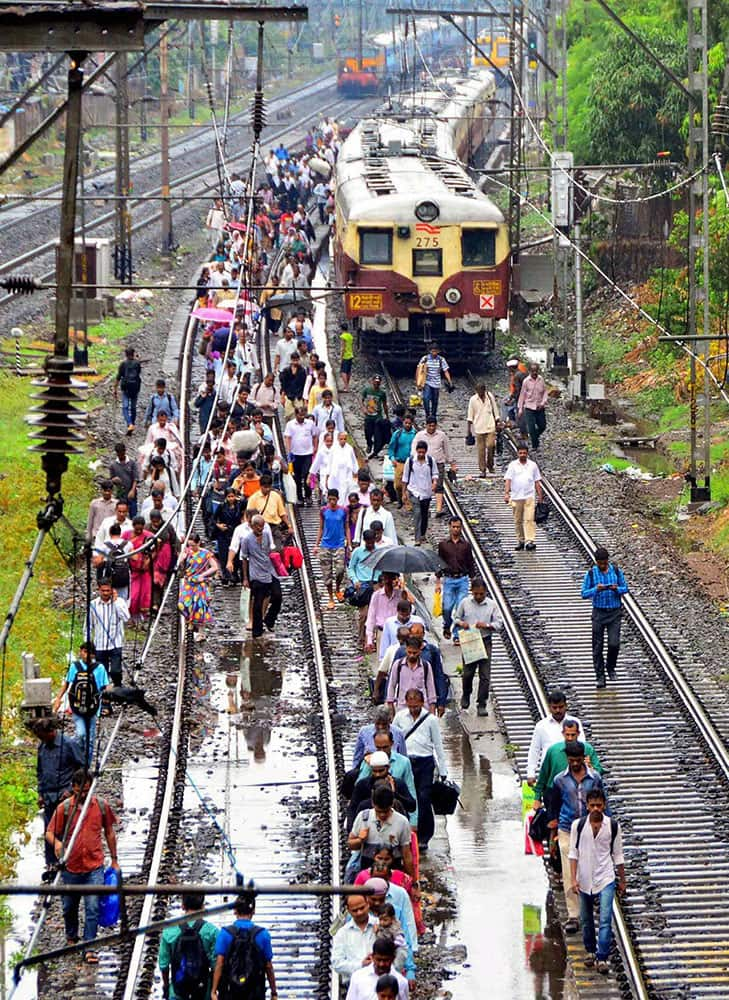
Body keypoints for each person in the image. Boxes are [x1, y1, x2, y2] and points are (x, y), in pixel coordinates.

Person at [45, 768, 119, 962]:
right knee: (69, 906)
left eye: (87, 791)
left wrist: (114, 858)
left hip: (94, 866)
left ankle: (89, 946)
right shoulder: (64, 808)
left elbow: (110, 832)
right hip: (70, 867)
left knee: (93, 907)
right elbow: (50, 833)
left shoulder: (101, 806)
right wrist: (58, 843)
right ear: (74, 789)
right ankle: (72, 937)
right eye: (80, 792)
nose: (84, 795)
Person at [550, 741, 606, 933]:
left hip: (590, 829)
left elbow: (602, 801)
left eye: (577, 760)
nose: (574, 764)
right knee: (569, 871)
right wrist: (553, 829)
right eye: (571, 760)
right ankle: (573, 915)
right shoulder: (559, 780)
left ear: (583, 758)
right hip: (567, 829)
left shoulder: (594, 778)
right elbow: (554, 804)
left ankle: (590, 903)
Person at [569, 788, 625, 974]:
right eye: (592, 805)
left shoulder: (613, 826)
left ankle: (602, 957)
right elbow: (573, 854)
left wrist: (622, 880)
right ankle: (590, 951)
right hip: (584, 878)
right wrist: (573, 879)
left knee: (605, 919)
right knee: (586, 919)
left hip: (606, 876)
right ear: (586, 806)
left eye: (598, 805)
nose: (595, 809)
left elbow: (618, 855)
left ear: (604, 806)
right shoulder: (578, 826)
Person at [393, 688, 446, 851]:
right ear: (406, 703)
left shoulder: (430, 720)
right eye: (411, 705)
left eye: (417, 706)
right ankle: (406, 833)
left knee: (424, 798)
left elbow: (438, 745)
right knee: (407, 797)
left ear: (422, 703)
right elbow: (394, 739)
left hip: (425, 762)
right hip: (406, 762)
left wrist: (443, 770)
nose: (414, 709)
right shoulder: (400, 717)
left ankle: (424, 836)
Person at [34, 717, 83, 868]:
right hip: (48, 797)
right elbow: (40, 771)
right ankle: (51, 864)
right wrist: (40, 793)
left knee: (67, 830)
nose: (41, 739)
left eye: (43, 736)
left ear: (51, 731)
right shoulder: (42, 747)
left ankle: (70, 861)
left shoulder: (68, 744)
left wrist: (71, 790)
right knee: (49, 831)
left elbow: (82, 768)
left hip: (64, 796)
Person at [211, 892, 277, 1000]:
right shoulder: (262, 934)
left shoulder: (225, 933)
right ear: (253, 911)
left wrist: (214, 991)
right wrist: (274, 992)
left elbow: (219, 964)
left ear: (235, 911)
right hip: (255, 992)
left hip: (230, 992)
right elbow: (268, 966)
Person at [452, 576, 503, 716]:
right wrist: (461, 624)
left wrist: (487, 625)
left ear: (486, 592)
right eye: (476, 594)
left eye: (481, 594)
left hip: (485, 640)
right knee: (468, 673)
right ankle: (466, 694)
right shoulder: (465, 603)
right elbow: (456, 618)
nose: (479, 596)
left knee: (485, 675)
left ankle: (482, 703)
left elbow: (499, 624)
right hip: (470, 640)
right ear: (471, 591)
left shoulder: (492, 605)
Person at [52, 642, 111, 763]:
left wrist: (108, 697)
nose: (84, 654)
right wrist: (58, 699)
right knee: (80, 734)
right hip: (77, 707)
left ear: (93, 654)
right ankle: (76, 757)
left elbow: (106, 685)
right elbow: (67, 684)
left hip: (93, 709)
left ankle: (86, 765)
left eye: (87, 652)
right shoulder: (75, 667)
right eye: (83, 651)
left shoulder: (100, 668)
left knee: (90, 739)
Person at [581, 546, 629, 689]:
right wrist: (596, 589)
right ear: (596, 562)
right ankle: (600, 677)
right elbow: (583, 593)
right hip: (599, 613)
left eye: (604, 563)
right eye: (600, 563)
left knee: (614, 643)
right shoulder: (590, 574)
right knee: (597, 647)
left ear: (608, 561)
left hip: (614, 612)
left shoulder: (616, 571)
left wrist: (616, 589)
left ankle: (610, 667)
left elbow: (625, 588)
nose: (602, 565)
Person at [534, 717, 604, 813]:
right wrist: (537, 797)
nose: (570, 738)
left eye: (573, 735)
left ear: (578, 734)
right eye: (567, 735)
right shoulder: (553, 751)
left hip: (582, 792)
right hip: (555, 793)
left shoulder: (588, 749)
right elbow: (544, 775)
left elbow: (599, 772)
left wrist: (591, 767)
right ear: (563, 734)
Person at [158, 892, 219, 1000]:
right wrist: (214, 990)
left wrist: (167, 986)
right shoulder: (212, 931)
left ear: (182, 906)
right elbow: (216, 965)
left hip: (178, 991)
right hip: (203, 990)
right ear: (203, 906)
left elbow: (164, 965)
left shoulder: (169, 931)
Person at [348, 784, 414, 878]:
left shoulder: (402, 822)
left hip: (393, 875)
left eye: (386, 811)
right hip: (367, 875)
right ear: (373, 804)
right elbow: (350, 844)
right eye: (378, 811)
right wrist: (360, 840)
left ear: (392, 804)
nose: (382, 815)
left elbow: (406, 854)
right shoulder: (363, 818)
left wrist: (412, 881)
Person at [346, 749, 417, 831]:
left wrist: (394, 794)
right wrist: (352, 830)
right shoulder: (362, 785)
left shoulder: (398, 783)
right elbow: (352, 808)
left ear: (388, 767)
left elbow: (412, 806)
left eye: (381, 771)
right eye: (374, 771)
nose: (378, 774)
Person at [526, 689, 586, 786]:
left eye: (561, 707)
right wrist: (531, 773)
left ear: (566, 706)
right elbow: (535, 750)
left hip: (572, 771)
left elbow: (583, 745)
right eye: (555, 707)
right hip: (549, 774)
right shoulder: (541, 726)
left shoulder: (575, 722)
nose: (558, 710)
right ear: (549, 707)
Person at [240, 515, 283, 638]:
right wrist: (245, 578)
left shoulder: (266, 535)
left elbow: (270, 551)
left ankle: (269, 619)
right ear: (252, 526)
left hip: (269, 570)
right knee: (258, 603)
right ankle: (257, 631)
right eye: (258, 526)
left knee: (277, 596)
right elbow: (244, 558)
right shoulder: (247, 540)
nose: (261, 529)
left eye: (262, 526)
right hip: (256, 573)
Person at [436, 516, 476, 642]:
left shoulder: (466, 545)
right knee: (447, 608)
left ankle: (457, 634)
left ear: (461, 528)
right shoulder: (443, 545)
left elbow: (470, 563)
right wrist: (438, 582)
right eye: (453, 527)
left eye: (458, 527)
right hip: (448, 580)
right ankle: (447, 625)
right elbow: (439, 563)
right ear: (449, 527)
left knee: (460, 607)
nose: (455, 529)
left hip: (462, 580)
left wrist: (473, 580)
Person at [410, 417, 456, 519]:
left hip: (438, 463)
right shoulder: (420, 435)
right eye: (429, 425)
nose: (431, 428)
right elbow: (413, 449)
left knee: (439, 485)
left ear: (436, 425)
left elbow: (447, 450)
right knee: (423, 486)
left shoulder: (442, 435)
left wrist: (452, 463)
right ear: (426, 425)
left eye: (433, 425)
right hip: (424, 464)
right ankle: (423, 508)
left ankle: (438, 509)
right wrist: (414, 461)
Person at [89, 578, 130, 688]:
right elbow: (88, 625)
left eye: (108, 590)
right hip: (100, 645)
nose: (106, 593)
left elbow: (126, 618)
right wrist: (87, 642)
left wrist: (116, 602)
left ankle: (117, 688)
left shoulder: (120, 602)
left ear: (112, 590)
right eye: (103, 591)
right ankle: (104, 693)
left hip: (115, 643)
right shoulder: (93, 604)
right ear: (99, 590)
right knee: (102, 672)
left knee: (116, 671)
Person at [177, 534, 219, 640]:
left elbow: (214, 567)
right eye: (189, 545)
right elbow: (180, 569)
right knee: (183, 604)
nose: (191, 548)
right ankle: (190, 620)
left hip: (200, 583)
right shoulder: (186, 553)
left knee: (200, 607)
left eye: (193, 545)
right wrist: (181, 560)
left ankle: (201, 633)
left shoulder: (205, 554)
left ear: (198, 543)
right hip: (188, 582)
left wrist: (203, 575)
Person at [503, 442, 544, 551]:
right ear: (517, 453)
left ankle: (529, 540)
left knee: (529, 519)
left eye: (524, 453)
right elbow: (508, 480)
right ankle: (520, 540)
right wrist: (507, 493)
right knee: (518, 520)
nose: (522, 455)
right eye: (520, 453)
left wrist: (540, 496)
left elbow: (537, 481)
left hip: (529, 496)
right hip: (516, 496)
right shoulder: (512, 465)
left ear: (527, 453)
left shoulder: (533, 465)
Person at [314, 489, 349, 609]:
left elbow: (346, 527)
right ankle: (330, 597)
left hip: (339, 544)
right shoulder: (324, 511)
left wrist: (348, 544)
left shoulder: (343, 511)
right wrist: (316, 544)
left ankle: (337, 589)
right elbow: (321, 527)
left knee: (340, 570)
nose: (332, 502)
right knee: (326, 573)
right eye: (330, 499)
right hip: (325, 545)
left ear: (338, 499)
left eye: (334, 499)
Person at [331, 894, 378, 982]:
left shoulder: (380, 925)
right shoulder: (342, 933)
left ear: (368, 904)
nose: (359, 912)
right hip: (354, 986)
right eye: (355, 910)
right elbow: (336, 963)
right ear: (348, 910)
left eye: (362, 908)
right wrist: (361, 965)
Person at [386, 638, 437, 713]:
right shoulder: (398, 665)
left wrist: (432, 708)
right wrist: (390, 705)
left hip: (422, 708)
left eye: (414, 653)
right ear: (406, 649)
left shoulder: (426, 666)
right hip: (402, 708)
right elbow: (392, 685)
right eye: (409, 652)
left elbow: (430, 687)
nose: (412, 655)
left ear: (420, 651)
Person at [402, 441, 438, 545]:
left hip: (426, 492)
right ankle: (417, 538)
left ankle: (422, 534)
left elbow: (435, 474)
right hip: (414, 491)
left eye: (423, 452)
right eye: (419, 452)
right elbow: (405, 477)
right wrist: (404, 493)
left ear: (426, 451)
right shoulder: (410, 461)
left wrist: (434, 482)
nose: (421, 454)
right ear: (417, 451)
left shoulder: (431, 461)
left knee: (424, 514)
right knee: (417, 513)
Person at [365, 573, 409, 655]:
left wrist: (405, 599)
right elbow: (371, 617)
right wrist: (369, 640)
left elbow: (407, 613)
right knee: (382, 661)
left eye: (390, 578)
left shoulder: (400, 595)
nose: (387, 581)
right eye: (386, 578)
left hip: (397, 633)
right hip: (382, 632)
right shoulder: (376, 596)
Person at [124, 515, 154, 624]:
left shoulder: (149, 536)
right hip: (133, 570)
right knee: (134, 594)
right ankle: (131, 616)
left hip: (145, 570)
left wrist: (148, 562)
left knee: (145, 594)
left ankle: (143, 618)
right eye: (137, 529)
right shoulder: (127, 535)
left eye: (141, 529)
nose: (139, 531)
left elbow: (156, 546)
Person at [284, 406, 317, 505]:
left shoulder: (310, 423)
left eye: (303, 415)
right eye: (300, 415)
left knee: (307, 474)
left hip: (307, 453)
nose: (302, 417)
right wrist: (289, 451)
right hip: (295, 454)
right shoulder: (290, 424)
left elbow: (315, 436)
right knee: (297, 477)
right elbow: (288, 438)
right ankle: (299, 497)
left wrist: (315, 448)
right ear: (296, 414)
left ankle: (308, 495)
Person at [466, 382, 499, 476]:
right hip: (479, 427)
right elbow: (470, 415)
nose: (481, 392)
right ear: (476, 391)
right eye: (479, 390)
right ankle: (483, 469)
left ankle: (490, 464)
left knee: (491, 445)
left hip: (490, 425)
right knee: (481, 450)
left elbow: (495, 409)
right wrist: (469, 430)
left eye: (482, 390)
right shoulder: (473, 400)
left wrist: (497, 420)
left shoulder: (489, 396)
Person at [387, 413, 416, 511]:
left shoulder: (415, 434)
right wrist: (392, 458)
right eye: (406, 423)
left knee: (410, 484)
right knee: (398, 485)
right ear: (403, 422)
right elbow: (391, 448)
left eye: (409, 423)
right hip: (400, 462)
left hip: (411, 463)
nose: (407, 425)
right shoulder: (397, 434)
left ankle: (408, 504)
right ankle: (400, 499)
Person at [517, 362, 548, 450]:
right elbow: (522, 395)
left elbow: (545, 392)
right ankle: (535, 445)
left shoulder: (541, 379)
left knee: (542, 426)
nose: (534, 373)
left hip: (539, 407)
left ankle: (534, 437)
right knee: (531, 428)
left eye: (536, 371)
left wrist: (543, 402)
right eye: (533, 371)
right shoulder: (526, 381)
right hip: (529, 407)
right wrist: (520, 409)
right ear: (529, 371)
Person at [361, 374, 389, 460]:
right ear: (372, 381)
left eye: (378, 382)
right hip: (368, 416)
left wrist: (387, 416)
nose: (376, 384)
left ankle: (375, 451)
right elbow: (361, 400)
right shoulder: (366, 390)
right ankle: (369, 444)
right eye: (375, 382)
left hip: (378, 417)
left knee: (377, 435)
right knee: (368, 433)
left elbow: (384, 404)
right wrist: (363, 409)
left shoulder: (382, 393)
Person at [115, 346, 142, 434]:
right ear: (133, 354)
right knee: (133, 407)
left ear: (126, 355)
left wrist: (115, 388)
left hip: (125, 388)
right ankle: (132, 424)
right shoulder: (137, 363)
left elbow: (118, 377)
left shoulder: (123, 364)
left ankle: (129, 424)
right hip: (135, 388)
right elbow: (138, 373)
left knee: (125, 407)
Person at [109, 442, 140, 518]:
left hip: (131, 493)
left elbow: (136, 478)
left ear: (125, 451)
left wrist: (132, 490)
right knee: (121, 514)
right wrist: (114, 480)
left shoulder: (132, 463)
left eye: (122, 453)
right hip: (120, 494)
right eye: (118, 454)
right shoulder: (113, 465)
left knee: (133, 514)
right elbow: (111, 479)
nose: (120, 456)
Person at [327, 431, 359, 502]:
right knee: (337, 490)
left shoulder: (349, 448)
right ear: (338, 439)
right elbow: (330, 462)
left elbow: (353, 460)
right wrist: (328, 474)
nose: (343, 441)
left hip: (346, 473)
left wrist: (356, 471)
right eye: (341, 439)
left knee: (346, 490)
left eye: (344, 439)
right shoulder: (333, 448)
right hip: (336, 474)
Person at [340, 322, 354, 391]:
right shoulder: (350, 336)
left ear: (342, 329)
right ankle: (347, 386)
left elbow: (343, 347)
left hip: (345, 356)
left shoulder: (343, 336)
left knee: (343, 372)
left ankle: (346, 387)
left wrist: (341, 357)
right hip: (351, 355)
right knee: (348, 371)